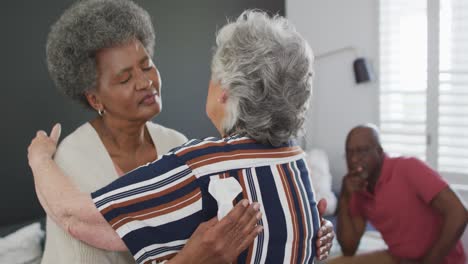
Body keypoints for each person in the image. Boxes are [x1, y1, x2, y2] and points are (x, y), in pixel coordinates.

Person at [38, 0, 333, 263]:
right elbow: (73, 223)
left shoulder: (182, 150)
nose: (145, 83)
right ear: (94, 99)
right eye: (125, 78)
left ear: (225, 92)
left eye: (147, 65)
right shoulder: (70, 157)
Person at [329, 124, 467, 264]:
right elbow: (348, 249)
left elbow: (459, 213)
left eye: (362, 151)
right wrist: (345, 197)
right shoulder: (358, 188)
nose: (353, 160)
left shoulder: (409, 168)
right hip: (400, 258)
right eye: (349, 152)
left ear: (379, 151)